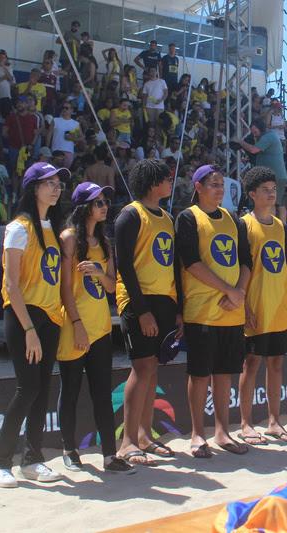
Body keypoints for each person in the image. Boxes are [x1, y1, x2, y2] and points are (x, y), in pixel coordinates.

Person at [0, 162, 66, 488]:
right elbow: (12, 285)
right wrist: (30, 330)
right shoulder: (19, 228)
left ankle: (33, 459)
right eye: (49, 183)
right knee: (28, 388)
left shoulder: (53, 227)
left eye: (58, 183)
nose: (56, 188)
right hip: (25, 317)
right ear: (34, 188)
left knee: (42, 388)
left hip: (51, 317)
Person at [57, 183, 134, 474]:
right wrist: (77, 324)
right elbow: (64, 288)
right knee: (70, 390)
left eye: (105, 201)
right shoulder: (69, 238)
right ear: (84, 206)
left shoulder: (105, 242)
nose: (104, 206)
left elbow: (112, 286)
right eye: (98, 202)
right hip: (74, 324)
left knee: (102, 392)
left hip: (101, 325)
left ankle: (109, 456)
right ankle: (69, 450)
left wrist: (100, 273)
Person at [176, 165, 252, 458]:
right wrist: (229, 290)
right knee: (199, 375)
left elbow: (246, 261)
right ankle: (197, 434)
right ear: (198, 187)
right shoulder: (188, 217)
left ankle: (222, 431)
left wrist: (239, 292)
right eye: (214, 184)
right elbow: (191, 263)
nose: (220, 189)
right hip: (203, 310)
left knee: (224, 374)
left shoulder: (233, 219)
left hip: (231, 311)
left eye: (222, 185)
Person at [114, 160, 180, 466]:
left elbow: (171, 265)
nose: (170, 182)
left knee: (152, 368)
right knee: (141, 367)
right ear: (153, 183)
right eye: (166, 178)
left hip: (164, 300)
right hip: (138, 301)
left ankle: (143, 435)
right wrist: (141, 311)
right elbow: (125, 265)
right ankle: (126, 442)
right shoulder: (130, 215)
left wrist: (177, 309)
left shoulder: (167, 218)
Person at [237, 167, 287, 445]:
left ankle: (274, 422)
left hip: (279, 308)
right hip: (254, 306)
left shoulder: (281, 226)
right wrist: (244, 305)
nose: (272, 193)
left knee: (276, 364)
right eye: (265, 189)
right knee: (250, 365)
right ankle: (246, 424)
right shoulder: (243, 225)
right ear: (252, 194)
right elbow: (239, 269)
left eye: (273, 188)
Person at [236, 120, 287, 222]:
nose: (254, 135)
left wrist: (240, 142)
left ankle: (273, 226)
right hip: (276, 176)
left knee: (272, 202)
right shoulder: (270, 136)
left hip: (275, 176)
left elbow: (253, 150)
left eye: (255, 132)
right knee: (278, 203)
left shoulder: (268, 137)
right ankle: (280, 226)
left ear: (261, 129)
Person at [49, 103, 81, 168]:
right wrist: (47, 147)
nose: (64, 109)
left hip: (69, 151)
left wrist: (72, 138)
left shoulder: (76, 124)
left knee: (65, 172)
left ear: (71, 110)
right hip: (56, 150)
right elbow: (49, 135)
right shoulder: (55, 120)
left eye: (66, 108)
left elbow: (80, 138)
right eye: (63, 108)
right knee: (54, 171)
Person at [0, 49, 14, 117]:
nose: (1, 59)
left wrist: (4, 67)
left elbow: (11, 79)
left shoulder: (9, 67)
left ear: (6, 58)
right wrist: (4, 77)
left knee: (6, 116)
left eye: (3, 57)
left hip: (7, 96)